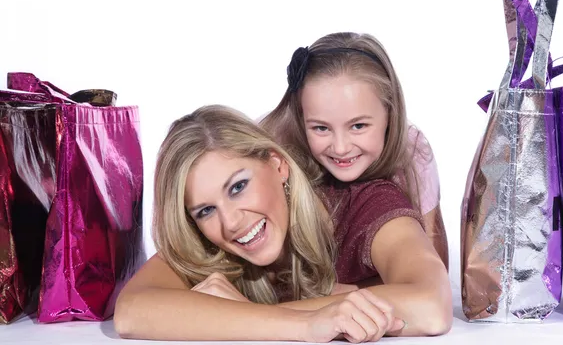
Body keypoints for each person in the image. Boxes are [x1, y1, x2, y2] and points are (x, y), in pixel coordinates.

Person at [114, 105, 451, 342]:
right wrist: (305, 325)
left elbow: (430, 305)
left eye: (238, 187)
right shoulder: (212, 245)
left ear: (277, 165)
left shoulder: (365, 204)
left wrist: (239, 313)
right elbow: (130, 313)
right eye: (204, 210)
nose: (230, 223)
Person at [260, 32, 449, 270]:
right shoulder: (273, 149)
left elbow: (435, 275)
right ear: (300, 116)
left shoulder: (411, 151)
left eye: (358, 126)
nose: (340, 148)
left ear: (390, 113)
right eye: (320, 128)